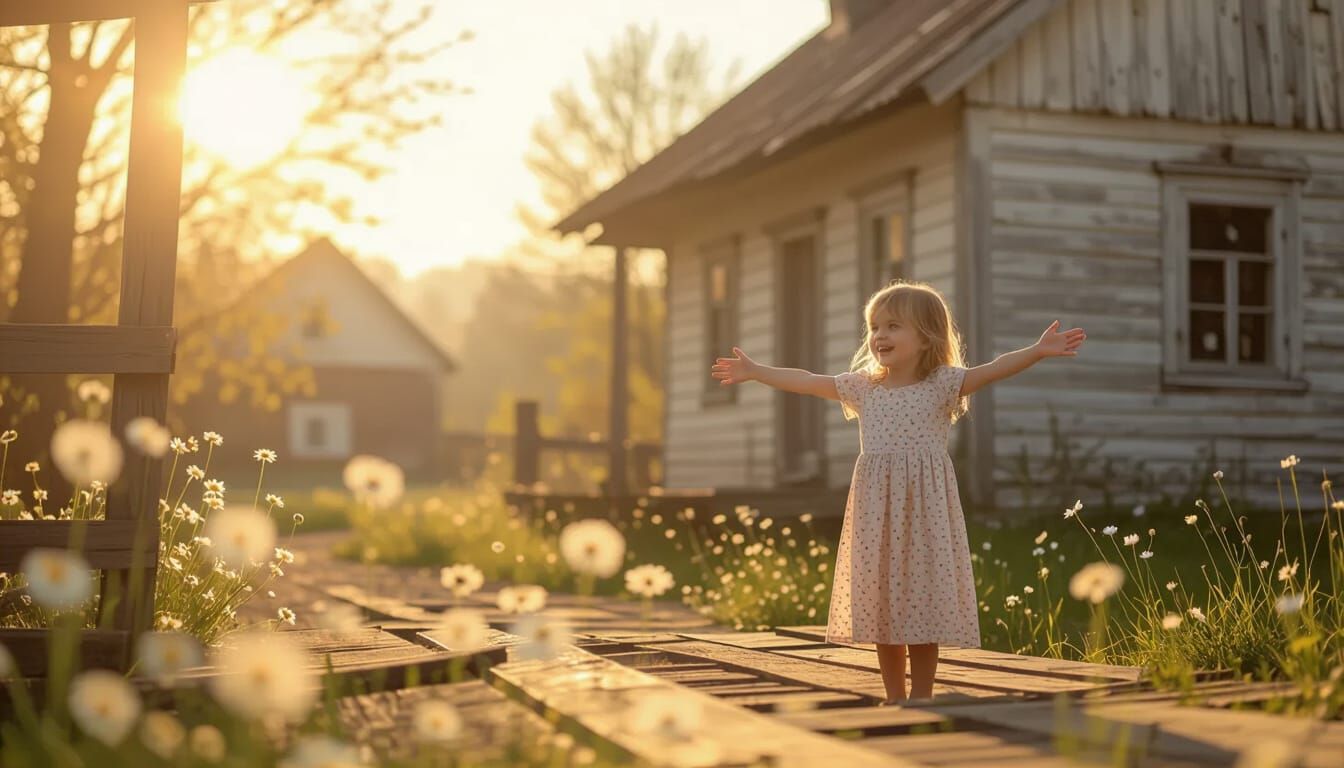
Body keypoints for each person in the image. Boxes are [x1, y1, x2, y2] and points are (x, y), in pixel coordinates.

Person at [709, 280, 1085, 704]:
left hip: (926, 511)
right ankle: (894, 696)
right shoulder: (863, 388)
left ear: (926, 336)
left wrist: (1036, 351)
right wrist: (757, 371)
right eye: (874, 327)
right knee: (883, 605)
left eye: (892, 326)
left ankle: (922, 694)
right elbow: (807, 380)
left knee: (921, 602)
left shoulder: (942, 384)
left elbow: (994, 368)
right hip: (876, 511)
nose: (879, 336)